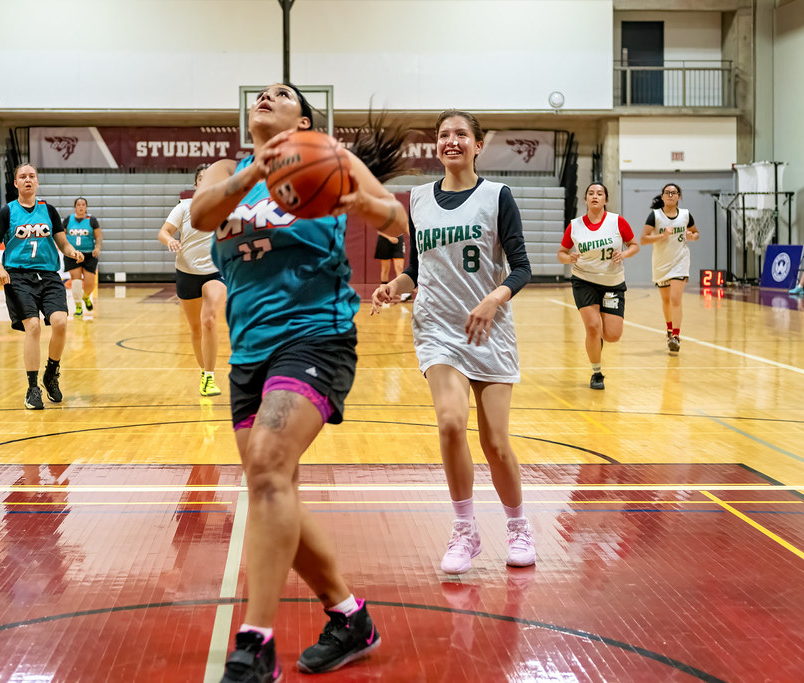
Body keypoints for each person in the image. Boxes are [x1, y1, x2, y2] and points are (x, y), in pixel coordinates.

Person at [190, 83, 408, 683]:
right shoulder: (224, 170)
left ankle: (256, 643)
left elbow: (396, 219)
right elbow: (201, 216)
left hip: (317, 336)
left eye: (281, 94)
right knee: (272, 482)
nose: (266, 96)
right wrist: (248, 176)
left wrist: (356, 200)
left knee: (265, 468)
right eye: (259, 93)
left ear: (304, 118)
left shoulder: (330, 158)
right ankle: (349, 616)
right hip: (250, 351)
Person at [371, 109, 536, 577]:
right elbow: (416, 271)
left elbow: (522, 267)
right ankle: (465, 529)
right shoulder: (418, 199)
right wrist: (394, 288)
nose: (451, 141)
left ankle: (518, 526)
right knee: (449, 423)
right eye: (444, 135)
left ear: (478, 145)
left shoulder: (497, 196)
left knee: (496, 442)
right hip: (438, 330)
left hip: (489, 330)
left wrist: (493, 299)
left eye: (461, 134)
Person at [0, 163, 84, 410]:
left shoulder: (48, 210)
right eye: (23, 176)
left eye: (32, 176)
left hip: (48, 275)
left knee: (61, 322)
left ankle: (51, 373)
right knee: (33, 326)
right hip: (18, 277)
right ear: (16, 183)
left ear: (37, 182)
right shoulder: (7, 212)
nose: (27, 179)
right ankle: (32, 388)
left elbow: (61, 241)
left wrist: (71, 250)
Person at [557, 183, 639, 389]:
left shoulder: (617, 221)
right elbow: (561, 253)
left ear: (606, 200)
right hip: (584, 280)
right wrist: (569, 258)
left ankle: (598, 338)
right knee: (593, 327)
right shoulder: (575, 225)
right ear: (585, 199)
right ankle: (596, 373)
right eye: (591, 193)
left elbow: (634, 245)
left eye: (600, 193)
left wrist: (624, 254)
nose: (595, 196)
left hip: (612, 282)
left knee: (612, 335)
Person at [158, 164, 227, 397]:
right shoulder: (184, 207)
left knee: (209, 320)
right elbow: (163, 231)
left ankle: (210, 377)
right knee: (196, 328)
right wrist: (169, 240)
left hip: (217, 272)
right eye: (202, 179)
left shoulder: (228, 208)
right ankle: (203, 372)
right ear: (196, 185)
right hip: (187, 272)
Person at [639, 183, 699, 352]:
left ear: (679, 196)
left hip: (680, 261)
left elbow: (696, 233)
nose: (671, 195)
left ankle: (676, 336)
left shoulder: (686, 215)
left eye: (674, 193)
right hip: (661, 263)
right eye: (667, 192)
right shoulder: (655, 216)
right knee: (666, 300)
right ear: (663, 196)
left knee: (675, 299)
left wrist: (692, 237)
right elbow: (643, 239)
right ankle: (669, 328)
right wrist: (662, 236)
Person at [62, 198, 102, 316]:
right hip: (73, 255)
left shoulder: (92, 220)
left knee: (89, 284)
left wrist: (97, 247)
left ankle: (85, 297)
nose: (81, 207)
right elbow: (61, 235)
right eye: (78, 205)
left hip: (89, 254)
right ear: (75, 207)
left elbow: (98, 237)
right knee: (76, 279)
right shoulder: (68, 220)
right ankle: (78, 306)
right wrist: (63, 247)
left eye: (83, 205)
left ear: (86, 207)